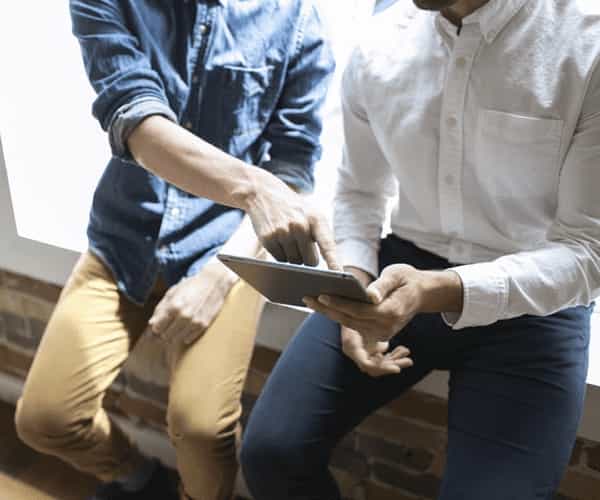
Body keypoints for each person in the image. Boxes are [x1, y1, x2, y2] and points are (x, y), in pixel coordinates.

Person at [241, 0, 600, 498]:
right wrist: (355, 287)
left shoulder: (587, 42)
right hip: (401, 271)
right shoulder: (379, 41)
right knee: (271, 454)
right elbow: (359, 193)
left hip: (537, 306)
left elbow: (588, 250)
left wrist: (438, 289)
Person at [14, 1, 336, 499]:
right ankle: (143, 482)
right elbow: (135, 117)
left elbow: (293, 165)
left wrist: (220, 276)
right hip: (123, 238)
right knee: (46, 418)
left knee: (202, 429)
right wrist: (256, 188)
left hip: (226, 246)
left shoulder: (295, 20)